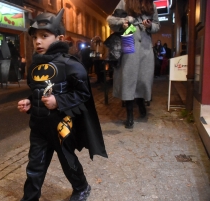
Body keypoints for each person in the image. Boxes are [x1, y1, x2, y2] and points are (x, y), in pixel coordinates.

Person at [17, 8, 107, 201]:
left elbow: (83, 94)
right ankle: (29, 198)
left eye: (44, 36)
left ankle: (82, 187)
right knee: (35, 165)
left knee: (67, 161)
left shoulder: (71, 65)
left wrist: (59, 101)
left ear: (59, 37)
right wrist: (29, 103)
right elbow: (38, 92)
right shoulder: (34, 66)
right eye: (34, 37)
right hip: (39, 126)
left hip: (61, 126)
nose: (38, 41)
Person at [107, 0, 160, 129]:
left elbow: (157, 25)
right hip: (129, 40)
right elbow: (111, 20)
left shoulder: (151, 4)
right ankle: (129, 114)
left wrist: (149, 25)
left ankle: (141, 102)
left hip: (146, 46)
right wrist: (123, 22)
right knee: (128, 78)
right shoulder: (124, 2)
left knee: (144, 79)